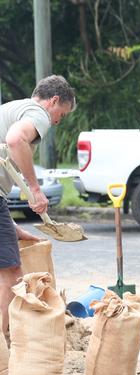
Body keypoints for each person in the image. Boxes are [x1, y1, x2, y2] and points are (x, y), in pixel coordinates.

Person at [0, 75, 76, 339]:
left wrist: (10, 227)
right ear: (53, 101)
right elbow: (14, 140)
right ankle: (5, 341)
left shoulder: (12, 109)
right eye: (61, 114)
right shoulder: (38, 113)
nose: (56, 122)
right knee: (11, 272)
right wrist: (34, 188)